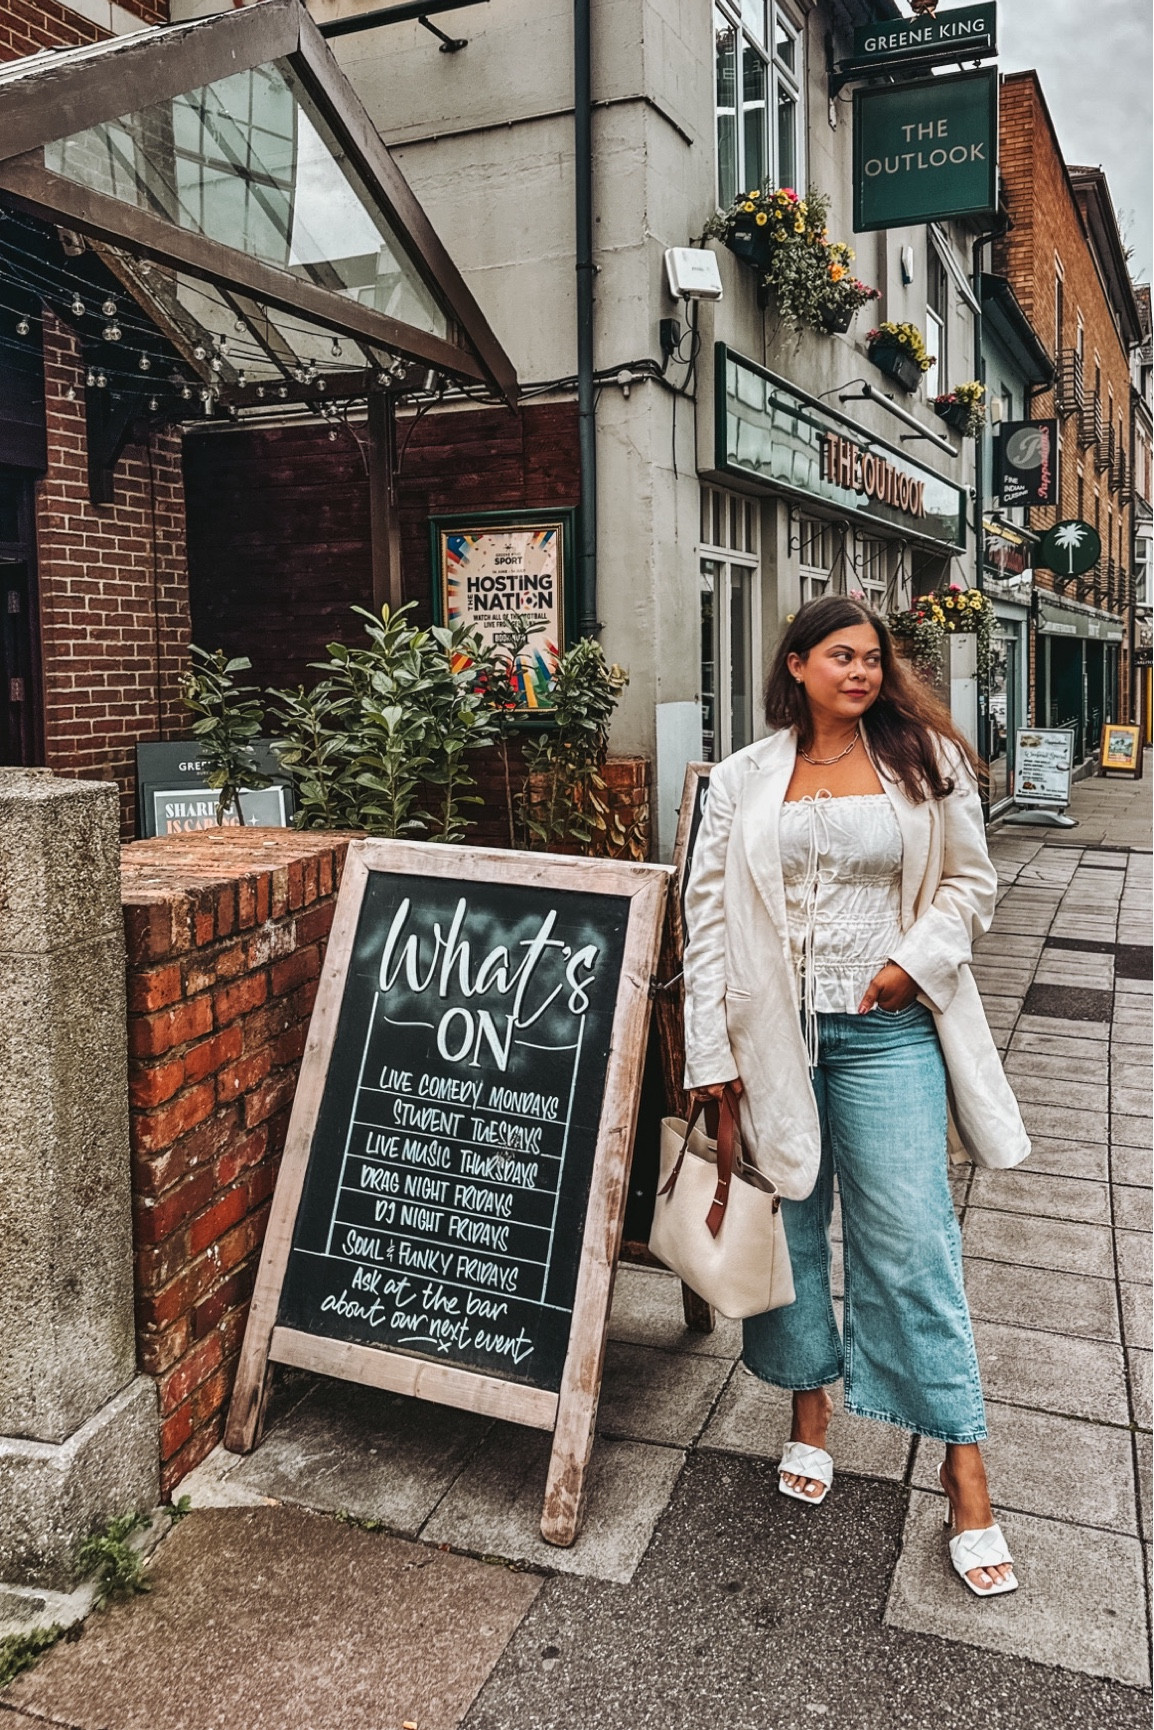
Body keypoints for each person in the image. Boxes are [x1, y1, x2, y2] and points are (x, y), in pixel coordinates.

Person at [682, 594, 1030, 1598]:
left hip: (885, 1034)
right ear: (793, 664)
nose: (861, 671)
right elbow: (705, 921)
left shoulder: (922, 761)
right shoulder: (743, 777)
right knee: (789, 1230)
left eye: (871, 657)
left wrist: (908, 964)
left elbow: (970, 885)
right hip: (771, 1042)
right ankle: (808, 1410)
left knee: (914, 1243)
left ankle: (965, 1475)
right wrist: (710, 1052)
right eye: (840, 655)